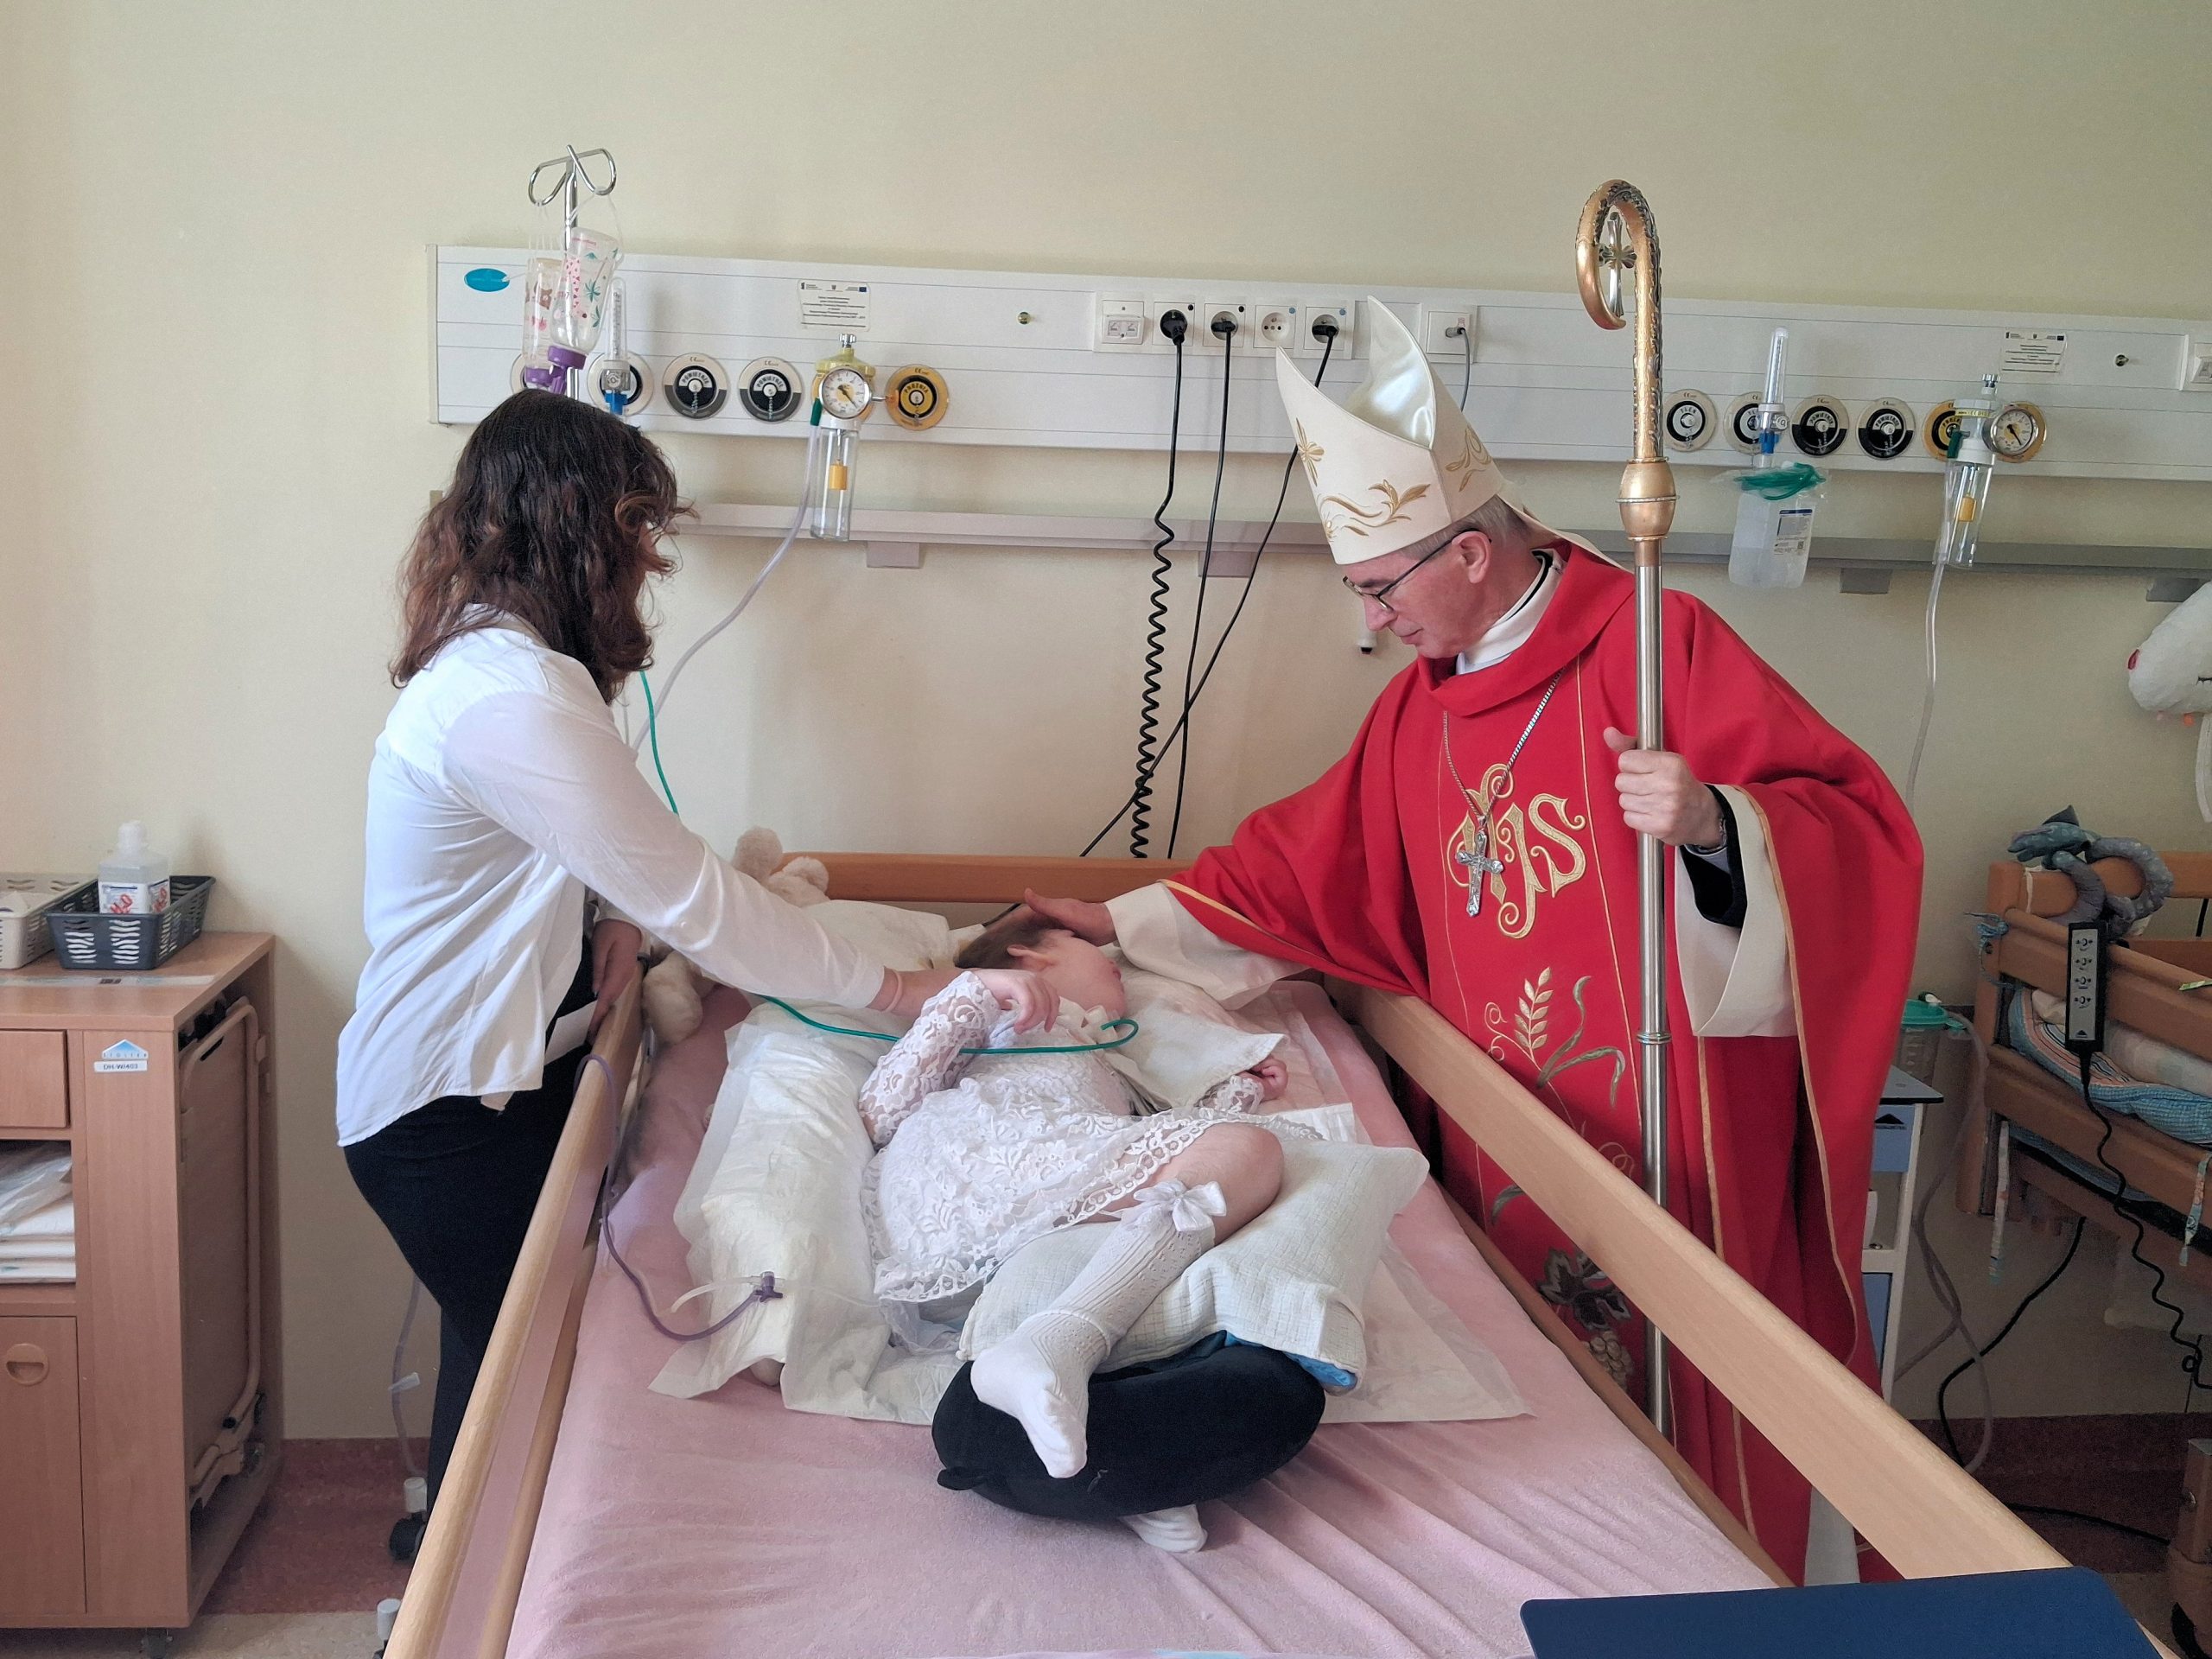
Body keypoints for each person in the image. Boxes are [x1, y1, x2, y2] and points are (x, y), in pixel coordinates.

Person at [1024, 302, 1922, 1577]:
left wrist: (1718, 825)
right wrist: (1118, 922)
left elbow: (1861, 830)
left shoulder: (1655, 647)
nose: (1374, 618)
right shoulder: (1423, 710)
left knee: (1689, 1395)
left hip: (1673, 1120)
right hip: (1511, 1119)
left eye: (1380, 588)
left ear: (1469, 554)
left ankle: (1726, 1587)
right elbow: (1309, 864)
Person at [334, 391, 1052, 1542]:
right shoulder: (506, 696)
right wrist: (907, 990)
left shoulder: (510, 672)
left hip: (500, 1085)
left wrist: (614, 913)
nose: (647, 570)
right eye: (638, 539)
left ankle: (436, 1568)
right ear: (586, 532)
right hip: (444, 1113)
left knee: (495, 1366)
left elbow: (602, 847)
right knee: (518, 1379)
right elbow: (701, 900)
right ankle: (443, 1584)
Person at [861, 912, 1294, 1551]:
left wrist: (1241, 1091)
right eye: (1090, 947)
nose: (1114, 964)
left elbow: (1166, 1162)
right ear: (1028, 954)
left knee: (1164, 1238)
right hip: (983, 1164)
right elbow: (881, 1110)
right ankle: (1063, 1350)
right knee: (1248, 1155)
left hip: (1042, 1223)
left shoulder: (1107, 1056)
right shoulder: (996, 1010)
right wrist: (976, 990)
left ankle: (1125, 1480)